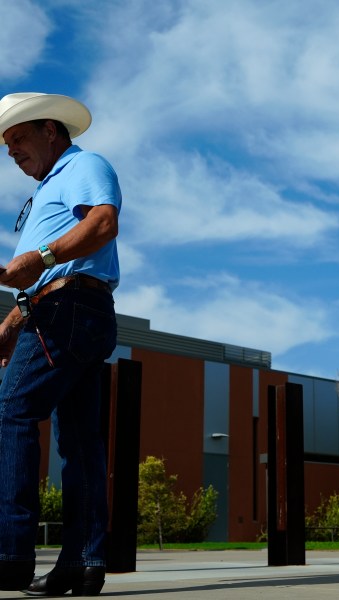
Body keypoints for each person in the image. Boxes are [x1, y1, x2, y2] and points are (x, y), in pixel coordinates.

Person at [0, 92, 121, 596]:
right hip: (71, 311)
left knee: (12, 412)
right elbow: (39, 277)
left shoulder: (84, 164)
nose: (10, 152)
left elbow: (102, 223)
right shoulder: (48, 188)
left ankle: (9, 556)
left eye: (18, 139)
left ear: (50, 129)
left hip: (67, 311)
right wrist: (12, 321)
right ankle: (82, 562)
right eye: (6, 145)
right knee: (79, 442)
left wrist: (43, 256)